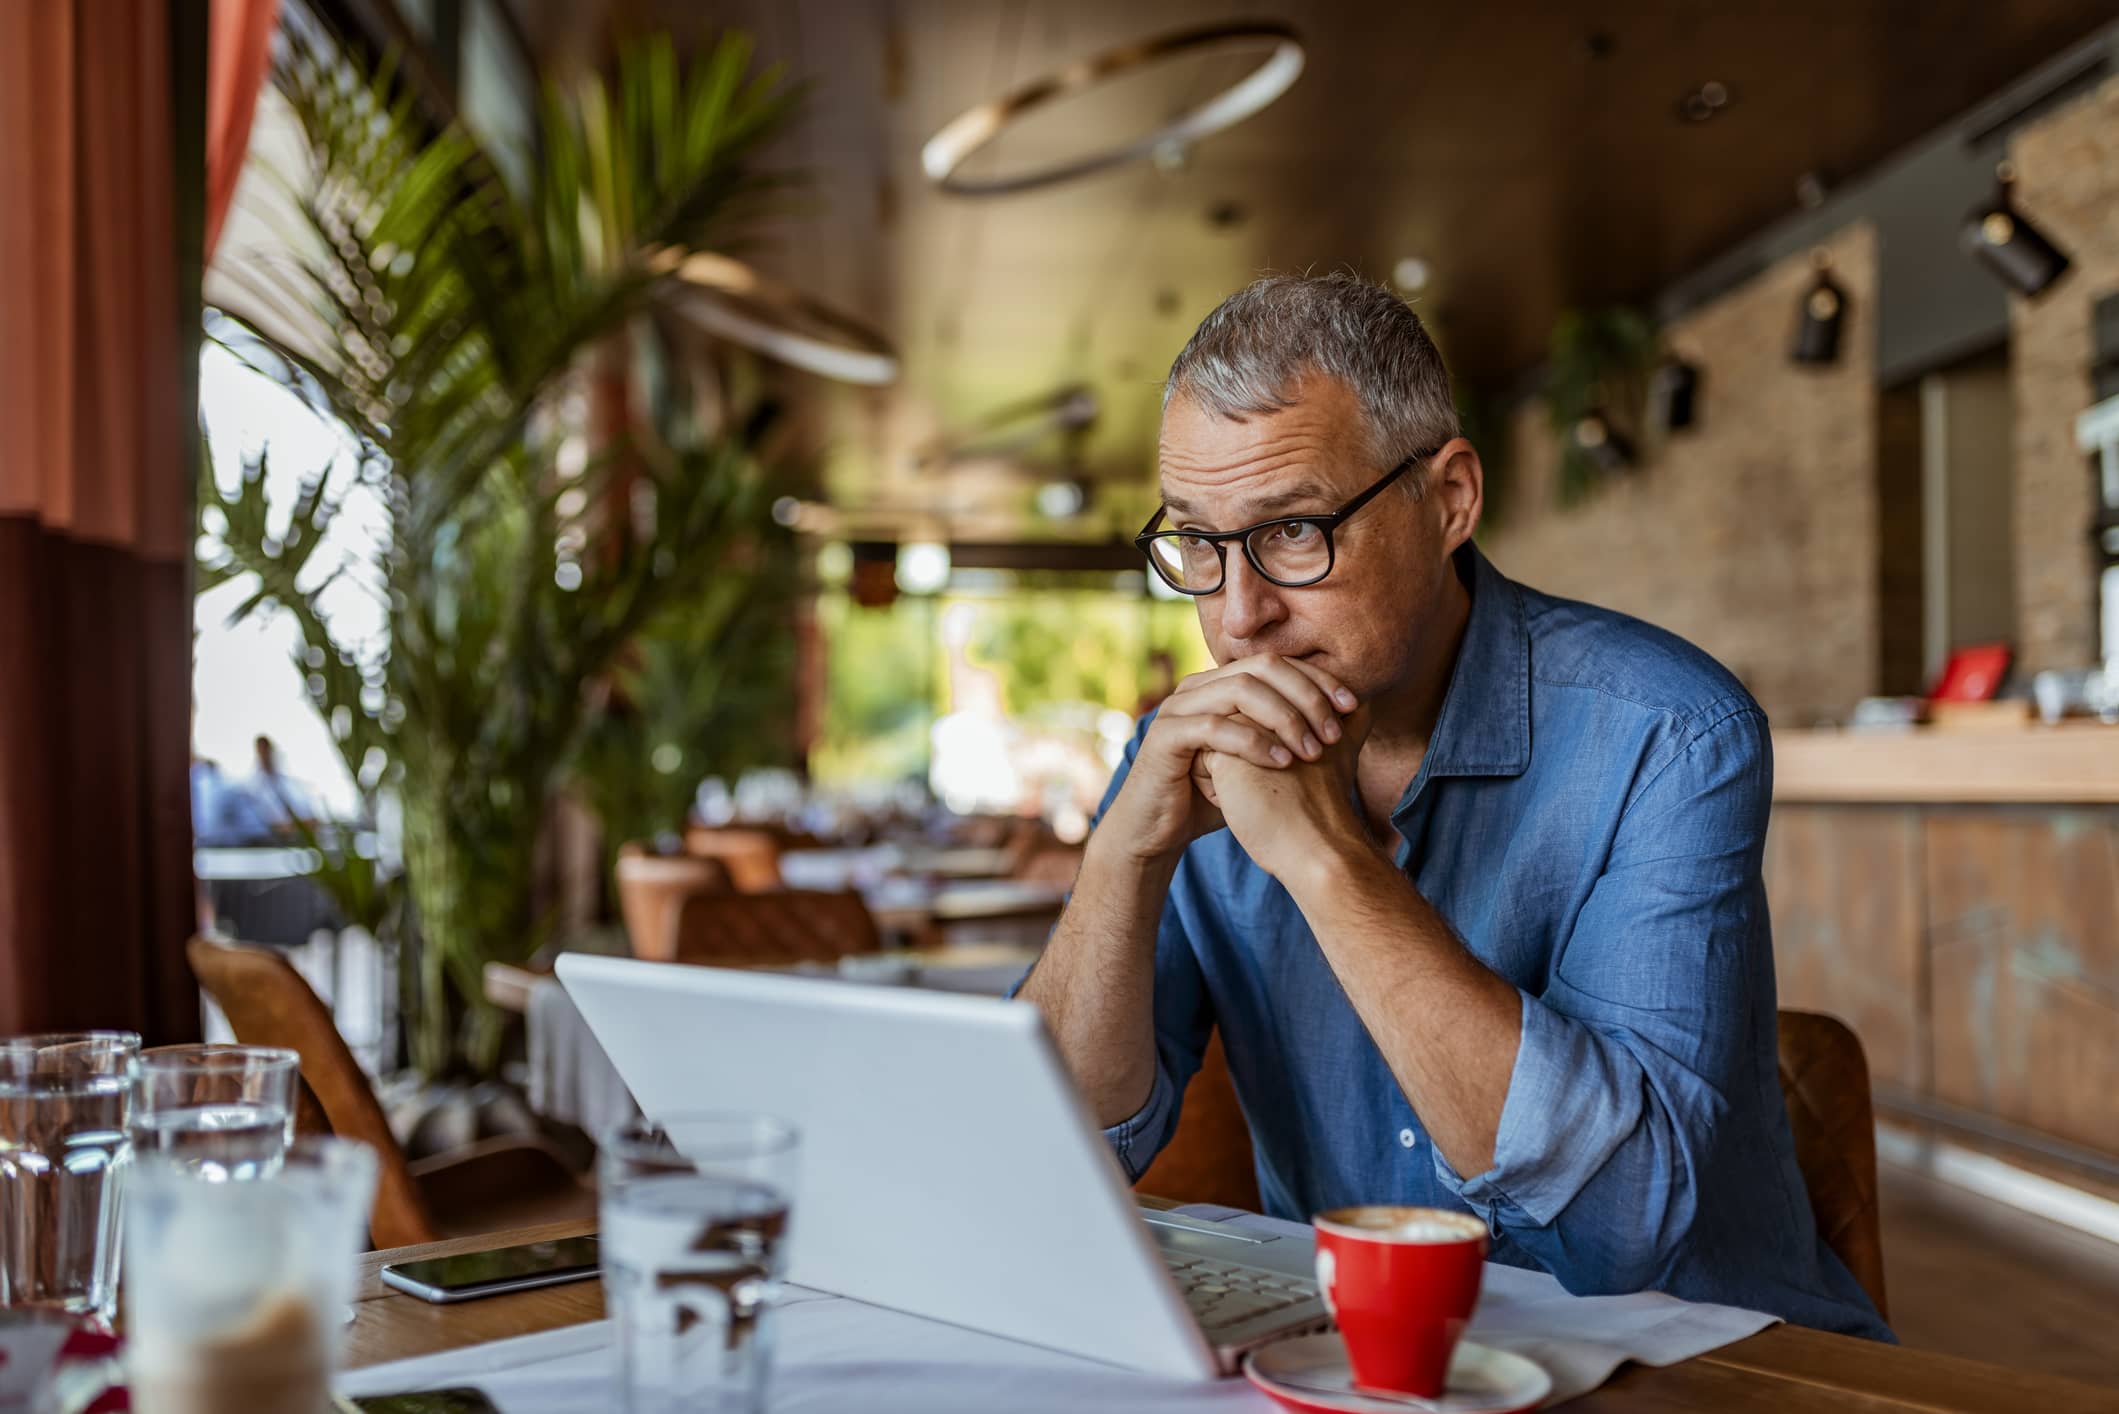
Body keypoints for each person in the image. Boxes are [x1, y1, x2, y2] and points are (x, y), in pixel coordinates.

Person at [1017, 273, 1890, 1339]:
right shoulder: (1188, 755)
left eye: (1293, 529)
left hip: (1699, 1368)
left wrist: (1327, 862)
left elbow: (1621, 1234)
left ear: (1449, 500)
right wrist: (1121, 857)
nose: (1239, 614)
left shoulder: (1666, 732)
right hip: (1367, 1364)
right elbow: (1049, 1162)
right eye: (1197, 542)